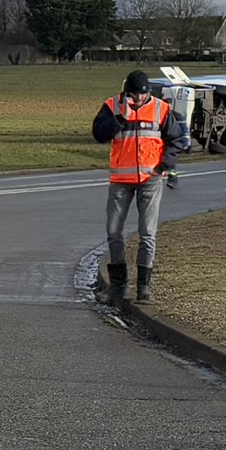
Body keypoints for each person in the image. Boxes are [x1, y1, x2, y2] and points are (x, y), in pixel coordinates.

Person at [91, 70, 190, 304]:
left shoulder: (160, 108)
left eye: (141, 95)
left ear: (147, 93)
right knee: (114, 232)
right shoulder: (111, 106)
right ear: (126, 92)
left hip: (151, 178)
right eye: (133, 95)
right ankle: (117, 286)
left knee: (147, 232)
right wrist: (120, 119)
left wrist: (165, 164)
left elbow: (177, 140)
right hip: (120, 181)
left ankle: (144, 288)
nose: (137, 100)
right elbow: (98, 134)